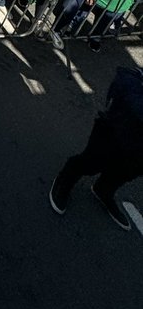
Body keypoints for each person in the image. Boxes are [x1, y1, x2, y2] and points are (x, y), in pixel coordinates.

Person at [49, 65, 143, 230]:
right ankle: (66, 177)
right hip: (119, 128)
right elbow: (125, 81)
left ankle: (103, 190)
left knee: (129, 170)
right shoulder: (133, 81)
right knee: (93, 161)